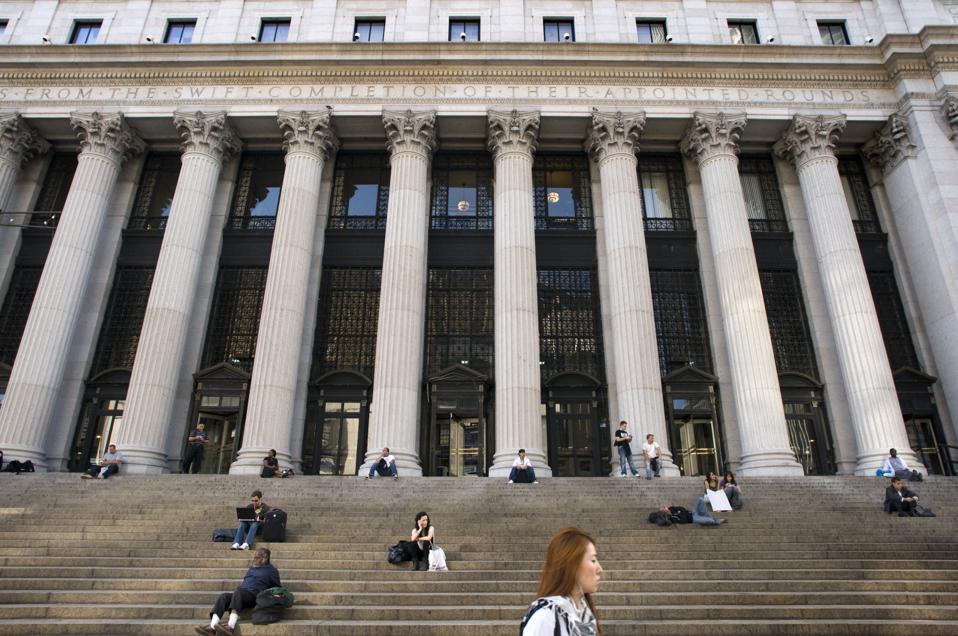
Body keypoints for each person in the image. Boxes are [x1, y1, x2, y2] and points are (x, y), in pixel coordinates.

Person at [520, 527, 602, 636]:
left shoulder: (585, 615)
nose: (600, 569)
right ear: (572, 565)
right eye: (593, 560)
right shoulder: (545, 617)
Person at [194, 546, 280, 636]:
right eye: (254, 557)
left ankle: (230, 627)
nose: (254, 559)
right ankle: (212, 627)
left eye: (257, 558)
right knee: (224, 596)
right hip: (242, 594)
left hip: (255, 596)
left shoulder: (272, 571)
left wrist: (274, 596)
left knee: (239, 592)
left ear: (265, 558)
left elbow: (277, 587)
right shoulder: (252, 568)